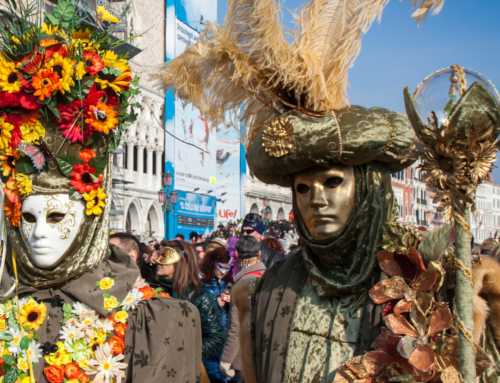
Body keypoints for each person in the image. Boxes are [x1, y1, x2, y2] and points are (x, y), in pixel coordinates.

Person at [152, 1, 500, 381]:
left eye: (333, 181)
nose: (315, 198)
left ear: (366, 188)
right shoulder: (271, 288)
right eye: (302, 188)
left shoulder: (423, 280)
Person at [0, 2, 201, 381]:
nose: (39, 232)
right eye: (28, 217)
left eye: (57, 215)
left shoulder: (149, 317)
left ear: (90, 219)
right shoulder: (5, 293)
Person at [155, 241, 225, 361]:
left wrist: (181, 351)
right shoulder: (150, 289)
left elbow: (216, 339)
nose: (158, 260)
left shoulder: (200, 296)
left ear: (181, 261)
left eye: (165, 256)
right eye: (159, 254)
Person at [220, 236, 266, 383]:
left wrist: (226, 359)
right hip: (264, 355)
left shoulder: (244, 282)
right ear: (259, 253)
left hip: (243, 358)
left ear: (237, 255)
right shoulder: (268, 277)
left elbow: (237, 326)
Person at [199, 247, 234, 382]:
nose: (223, 272)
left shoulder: (231, 283)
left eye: (227, 268)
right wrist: (214, 303)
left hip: (227, 333)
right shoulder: (202, 284)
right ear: (212, 263)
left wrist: (232, 301)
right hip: (209, 335)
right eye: (220, 267)